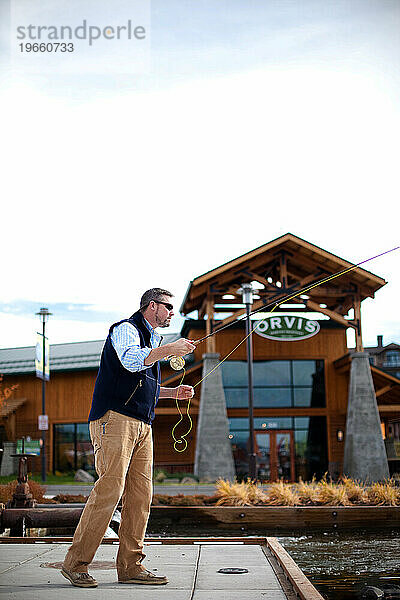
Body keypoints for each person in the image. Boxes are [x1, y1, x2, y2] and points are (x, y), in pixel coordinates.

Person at [61, 288, 196, 588]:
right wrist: (170, 349)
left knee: (140, 495)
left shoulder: (153, 341)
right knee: (111, 488)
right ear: (152, 306)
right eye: (168, 307)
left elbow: (143, 384)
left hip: (142, 425)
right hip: (114, 419)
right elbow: (131, 362)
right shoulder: (126, 329)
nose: (172, 312)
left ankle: (130, 567)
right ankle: (76, 564)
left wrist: (173, 393)